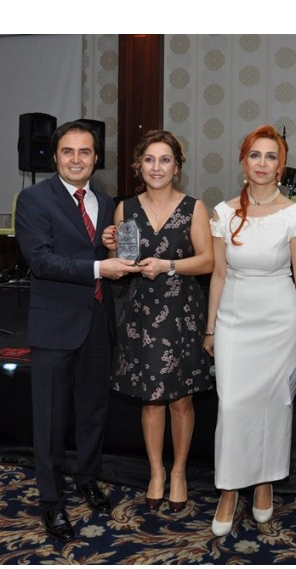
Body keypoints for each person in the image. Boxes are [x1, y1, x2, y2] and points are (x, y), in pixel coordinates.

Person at [15, 120, 128, 542]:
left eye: (85, 152)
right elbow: (41, 261)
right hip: (54, 325)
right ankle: (51, 501)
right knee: (50, 420)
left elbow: (98, 250)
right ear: (55, 156)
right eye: (68, 151)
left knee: (93, 412)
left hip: (97, 321)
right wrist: (100, 266)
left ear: (96, 158)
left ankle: (87, 479)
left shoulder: (106, 200)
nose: (76, 159)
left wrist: (111, 247)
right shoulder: (33, 199)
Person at [204, 125, 296, 537]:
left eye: (271, 156)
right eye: (255, 155)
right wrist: (210, 329)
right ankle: (229, 488)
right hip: (234, 317)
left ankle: (264, 482)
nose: (262, 163)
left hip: (280, 319)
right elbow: (218, 273)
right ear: (243, 162)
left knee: (273, 404)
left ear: (281, 166)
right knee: (231, 405)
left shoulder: (295, 214)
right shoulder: (222, 212)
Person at [100, 130, 214, 513]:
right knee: (151, 399)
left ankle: (179, 472)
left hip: (182, 313)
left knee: (181, 400)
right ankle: (156, 472)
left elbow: (208, 261)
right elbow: (121, 264)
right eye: (149, 159)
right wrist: (111, 248)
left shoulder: (194, 208)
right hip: (142, 314)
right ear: (139, 165)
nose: (157, 167)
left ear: (177, 167)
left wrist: (168, 266)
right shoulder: (125, 209)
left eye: (165, 160)